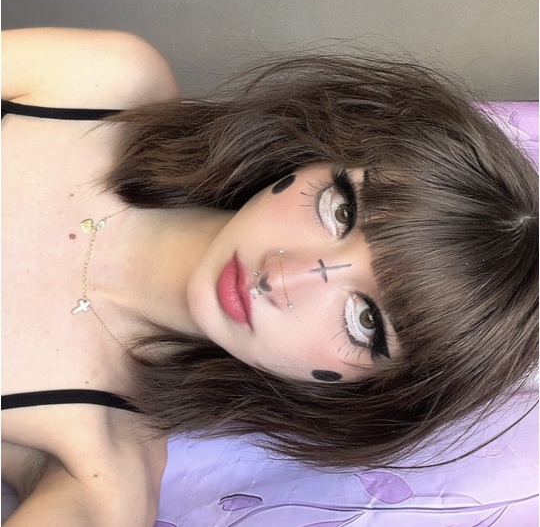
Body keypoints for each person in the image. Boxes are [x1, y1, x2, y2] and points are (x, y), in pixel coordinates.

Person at [2, 27, 537, 526]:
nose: (283, 279)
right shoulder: (99, 83)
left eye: (366, 320)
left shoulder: (102, 476)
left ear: (370, 392)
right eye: (341, 211)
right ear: (324, 155)